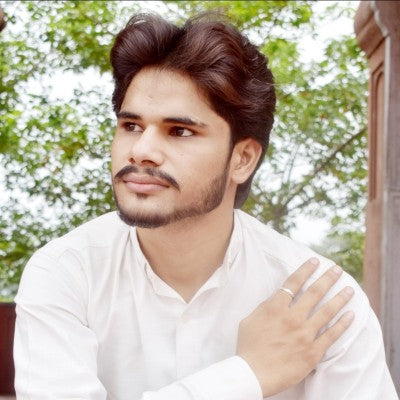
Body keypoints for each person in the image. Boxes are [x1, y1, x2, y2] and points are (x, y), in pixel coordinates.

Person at [13, 12, 398, 400]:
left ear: (242, 159)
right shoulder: (66, 273)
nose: (141, 150)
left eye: (180, 131)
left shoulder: (322, 304)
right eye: (131, 126)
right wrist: (248, 375)